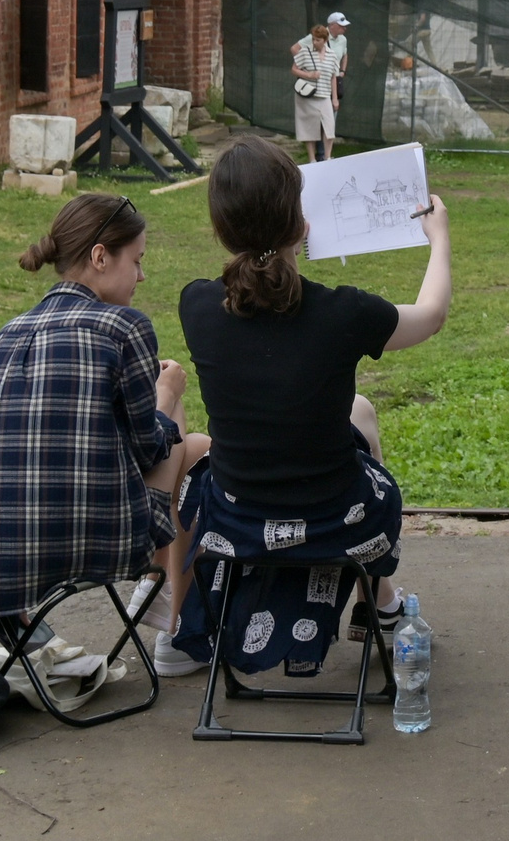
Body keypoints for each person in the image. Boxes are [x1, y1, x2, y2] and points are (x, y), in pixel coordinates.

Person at [172, 137, 451, 678]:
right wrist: (438, 239)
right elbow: (431, 314)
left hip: (236, 517)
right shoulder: (344, 313)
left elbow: (260, 302)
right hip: (335, 522)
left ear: (220, 228)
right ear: (301, 223)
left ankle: (383, 605)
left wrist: (282, 248)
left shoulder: (197, 305)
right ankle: (381, 604)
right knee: (363, 424)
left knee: (360, 410)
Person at [0, 193, 213, 664]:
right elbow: (150, 448)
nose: (142, 276)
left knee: (190, 440)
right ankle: (159, 589)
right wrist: (165, 393)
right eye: (136, 261)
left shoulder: (3, 333)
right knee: (186, 434)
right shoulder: (124, 327)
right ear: (100, 256)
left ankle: (152, 595)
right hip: (75, 541)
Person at [290, 15, 345, 162]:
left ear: (325, 40)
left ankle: (327, 157)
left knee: (329, 127)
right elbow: (294, 69)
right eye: (313, 39)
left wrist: (334, 98)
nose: (315, 42)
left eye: (318, 40)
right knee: (309, 128)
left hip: (324, 95)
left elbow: (334, 76)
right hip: (308, 96)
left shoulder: (332, 55)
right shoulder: (305, 52)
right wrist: (309, 74)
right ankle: (312, 159)